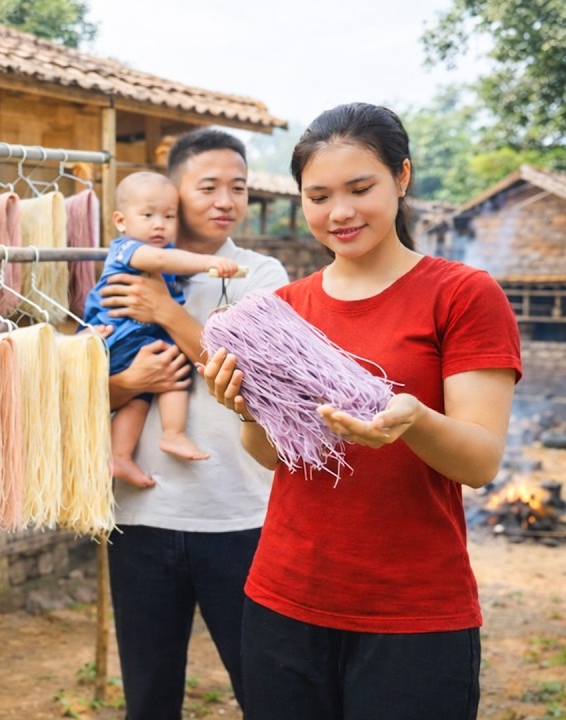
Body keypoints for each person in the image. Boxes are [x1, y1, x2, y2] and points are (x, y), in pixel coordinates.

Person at [202, 102, 521, 720]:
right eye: (318, 197)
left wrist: (415, 421)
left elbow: (480, 462)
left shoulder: (462, 295)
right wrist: (247, 411)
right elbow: (276, 458)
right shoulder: (282, 311)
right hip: (284, 599)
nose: (339, 213)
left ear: (402, 177)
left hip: (414, 612)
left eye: (359, 188)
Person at [98, 128, 289, 719]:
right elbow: (85, 382)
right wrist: (125, 385)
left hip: (239, 514)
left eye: (238, 187)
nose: (226, 201)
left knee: (265, 688)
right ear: (174, 193)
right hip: (142, 516)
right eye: (208, 187)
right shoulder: (126, 266)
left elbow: (261, 380)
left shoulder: (260, 274)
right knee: (149, 697)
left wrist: (165, 311)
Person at [83, 172, 239, 488]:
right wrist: (208, 262)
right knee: (175, 365)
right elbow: (162, 259)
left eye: (169, 217)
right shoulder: (127, 249)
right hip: (121, 334)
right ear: (121, 221)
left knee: (142, 396)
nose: (159, 225)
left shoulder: (160, 251)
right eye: (148, 215)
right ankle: (173, 432)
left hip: (137, 338)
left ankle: (120, 455)